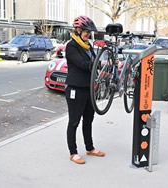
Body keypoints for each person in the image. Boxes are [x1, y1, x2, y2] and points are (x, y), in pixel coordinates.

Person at [65, 16, 105, 164]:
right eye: (87, 31)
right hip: (75, 89)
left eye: (90, 32)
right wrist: (96, 64)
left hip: (88, 88)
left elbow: (94, 63)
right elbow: (83, 64)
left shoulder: (88, 46)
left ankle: (90, 148)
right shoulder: (72, 46)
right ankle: (73, 153)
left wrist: (106, 64)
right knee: (74, 122)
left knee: (88, 120)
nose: (89, 34)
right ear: (78, 30)